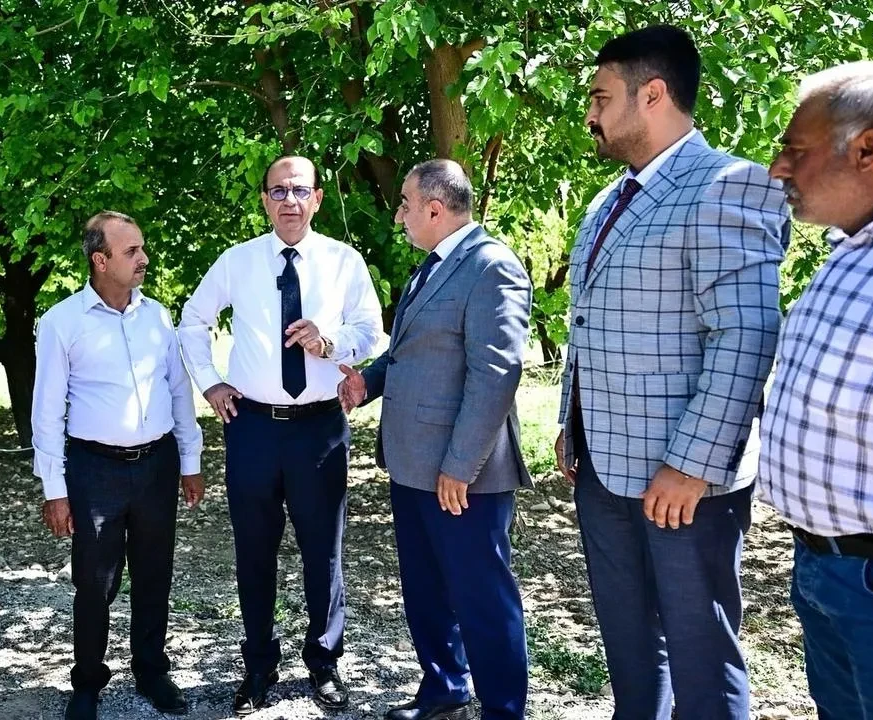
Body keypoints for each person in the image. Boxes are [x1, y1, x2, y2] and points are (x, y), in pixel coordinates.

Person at [553, 26, 788, 720]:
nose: (590, 114)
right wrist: (572, 423)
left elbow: (745, 334)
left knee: (701, 660)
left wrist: (692, 466)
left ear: (652, 94)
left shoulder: (728, 184)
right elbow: (589, 323)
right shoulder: (608, 200)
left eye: (601, 97)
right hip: (603, 471)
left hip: (683, 485)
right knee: (630, 651)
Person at [178, 156, 383, 715]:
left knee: (323, 552)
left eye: (299, 190)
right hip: (252, 428)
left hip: (319, 429)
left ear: (317, 198)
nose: (289, 200)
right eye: (278, 191)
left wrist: (330, 342)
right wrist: (210, 383)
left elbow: (372, 332)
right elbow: (192, 321)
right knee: (253, 551)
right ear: (264, 200)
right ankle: (258, 666)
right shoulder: (237, 261)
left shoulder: (343, 261)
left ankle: (324, 662)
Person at [339, 160, 531, 720]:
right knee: (426, 590)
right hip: (413, 464)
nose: (398, 215)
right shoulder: (433, 265)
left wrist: (460, 465)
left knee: (482, 597)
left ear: (434, 208)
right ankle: (446, 688)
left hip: (461, 475)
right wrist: (368, 382)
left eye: (404, 204)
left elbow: (495, 374)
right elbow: (412, 352)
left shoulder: (491, 266)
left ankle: (503, 710)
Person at [32, 212, 205, 720]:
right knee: (94, 581)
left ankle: (151, 671)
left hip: (156, 464)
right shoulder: (63, 322)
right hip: (94, 470)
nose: (144, 259)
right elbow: (47, 410)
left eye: (142, 248)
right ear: (100, 260)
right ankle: (87, 681)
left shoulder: (158, 317)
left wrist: (190, 460)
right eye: (132, 251)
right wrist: (54, 489)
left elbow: (178, 391)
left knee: (155, 574)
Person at [761, 61, 873, 720]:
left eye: (796, 150)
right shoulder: (850, 251)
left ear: (867, 149)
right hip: (824, 567)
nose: (778, 168)